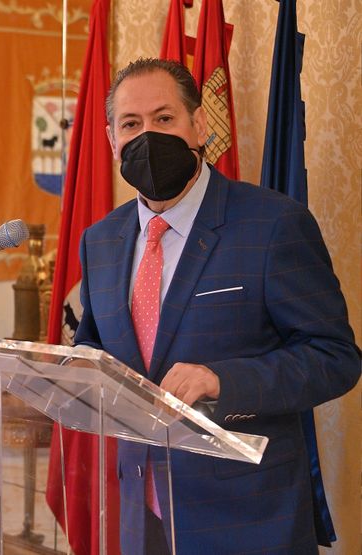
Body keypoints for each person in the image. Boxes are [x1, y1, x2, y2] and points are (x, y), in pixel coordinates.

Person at [73, 57, 361, 554]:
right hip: (140, 515)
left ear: (200, 124)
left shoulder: (273, 225)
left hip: (249, 519)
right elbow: (93, 350)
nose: (148, 137)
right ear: (111, 139)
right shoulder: (99, 241)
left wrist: (222, 380)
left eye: (164, 119)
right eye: (131, 124)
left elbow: (334, 359)